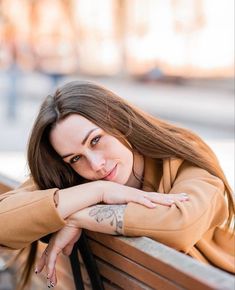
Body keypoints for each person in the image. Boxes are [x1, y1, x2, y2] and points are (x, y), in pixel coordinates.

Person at [0, 81, 234, 289]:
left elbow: (181, 225)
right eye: (75, 158)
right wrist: (98, 190)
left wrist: (78, 215)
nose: (96, 164)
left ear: (119, 120)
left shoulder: (182, 155)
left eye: (95, 140)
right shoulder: (72, 178)